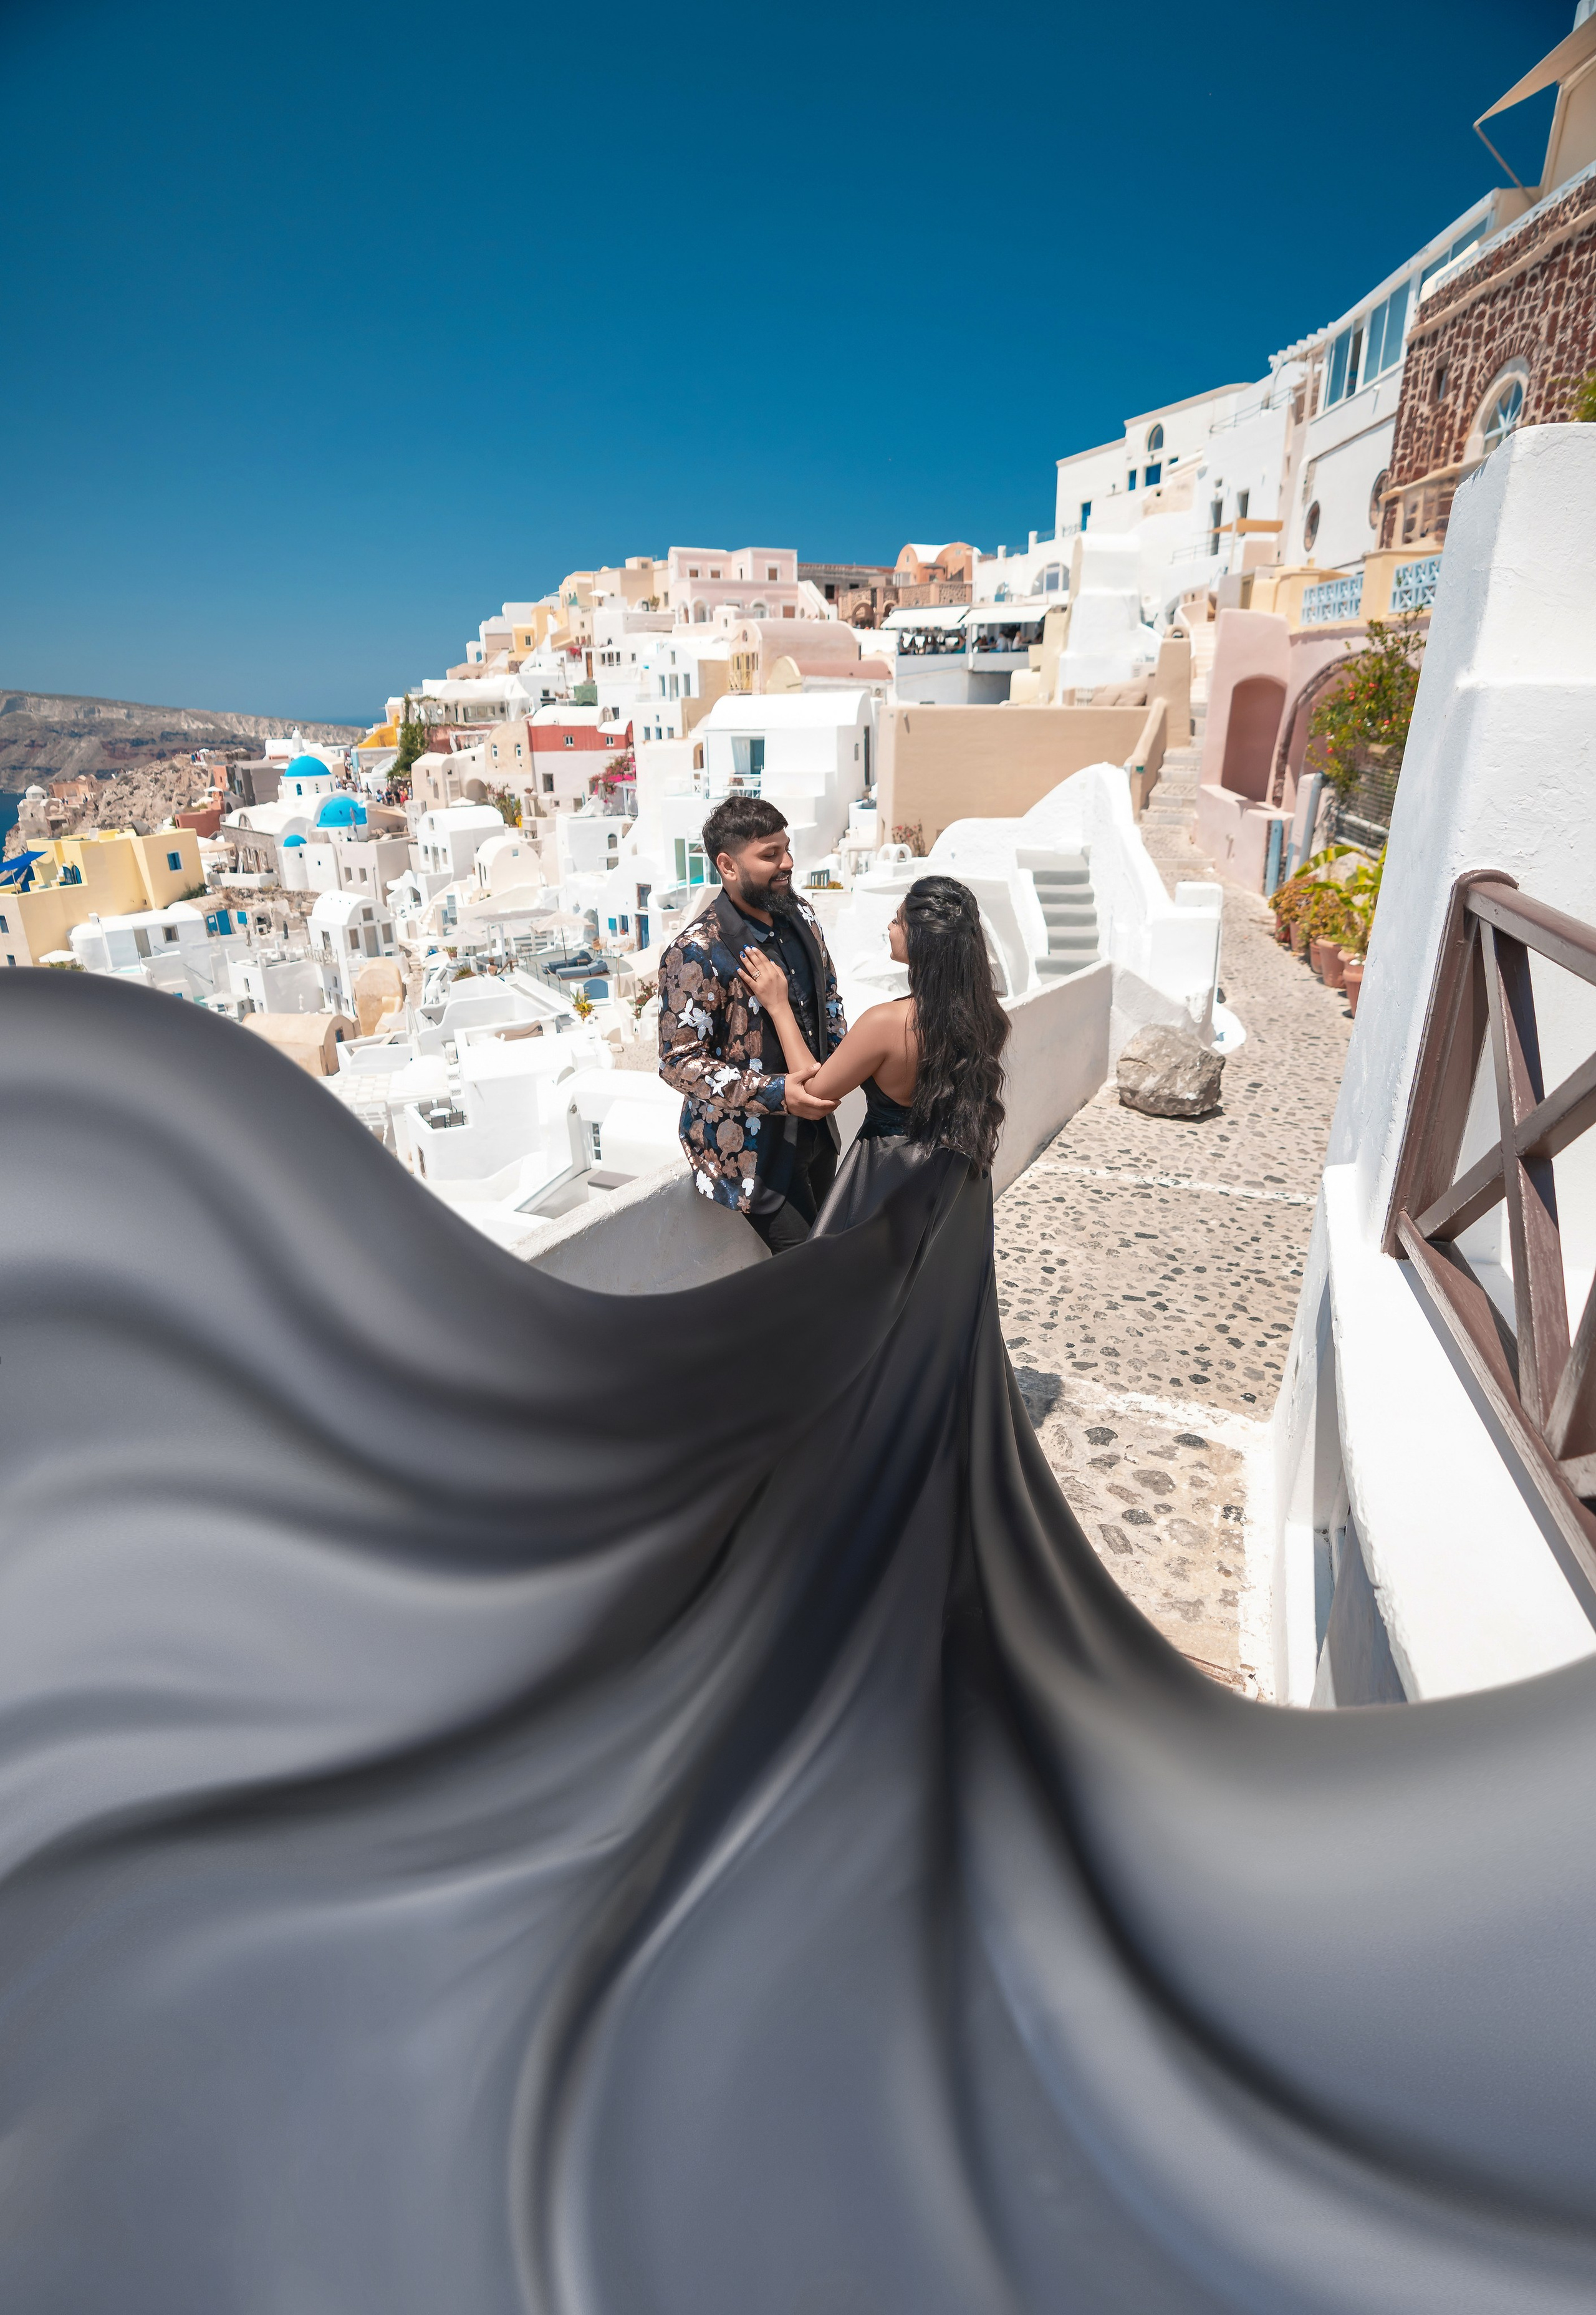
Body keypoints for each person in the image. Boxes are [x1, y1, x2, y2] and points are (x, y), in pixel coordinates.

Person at [736, 873, 1009, 1211]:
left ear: (923, 940)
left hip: (893, 1182)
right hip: (957, 1182)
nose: (890, 927)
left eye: (898, 921)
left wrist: (779, 1007)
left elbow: (814, 1092)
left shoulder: (886, 1023)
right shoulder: (987, 1015)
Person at [657, 797, 847, 1252]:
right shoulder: (696, 951)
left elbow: (830, 1003)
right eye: (769, 855)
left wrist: (839, 1066)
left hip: (818, 1135)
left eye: (786, 848)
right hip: (754, 1158)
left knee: (838, 1260)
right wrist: (778, 1092)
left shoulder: (802, 917)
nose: (787, 863)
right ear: (727, 864)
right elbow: (678, 1063)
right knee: (810, 1278)